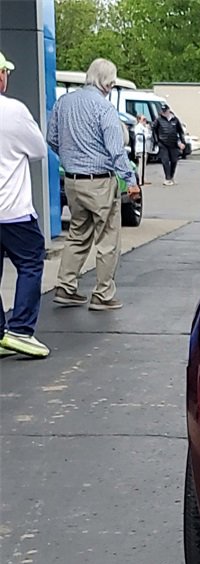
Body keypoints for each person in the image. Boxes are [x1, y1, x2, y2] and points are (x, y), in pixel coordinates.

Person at [47, 58, 140, 311]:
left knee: (78, 234)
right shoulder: (105, 108)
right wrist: (130, 181)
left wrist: (70, 158)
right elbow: (116, 150)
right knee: (108, 238)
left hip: (73, 181)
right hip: (100, 181)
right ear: (108, 83)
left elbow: (52, 138)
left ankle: (66, 287)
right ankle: (103, 293)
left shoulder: (64, 103)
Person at [0, 51, 49, 358]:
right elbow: (38, 150)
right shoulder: (13, 111)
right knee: (30, 263)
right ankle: (20, 330)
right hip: (13, 210)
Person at [152, 102, 185, 185]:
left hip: (173, 143)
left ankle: (171, 176)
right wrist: (156, 141)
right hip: (163, 143)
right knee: (165, 161)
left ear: (169, 111)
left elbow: (180, 132)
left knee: (174, 160)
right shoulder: (158, 120)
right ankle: (167, 178)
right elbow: (154, 131)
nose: (164, 113)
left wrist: (182, 142)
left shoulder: (175, 120)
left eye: (165, 111)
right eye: (163, 111)